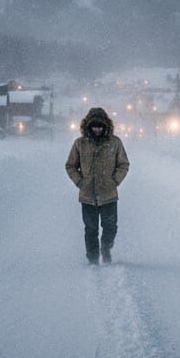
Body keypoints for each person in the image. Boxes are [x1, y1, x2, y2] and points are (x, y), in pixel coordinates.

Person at [65, 106, 130, 265]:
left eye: (100, 126)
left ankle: (106, 249)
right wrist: (80, 182)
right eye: (94, 126)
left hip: (109, 195)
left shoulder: (115, 142)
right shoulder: (80, 144)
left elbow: (123, 164)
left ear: (106, 126)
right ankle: (93, 259)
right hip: (87, 196)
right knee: (91, 230)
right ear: (88, 126)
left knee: (110, 228)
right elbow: (70, 166)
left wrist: (115, 181)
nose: (97, 129)